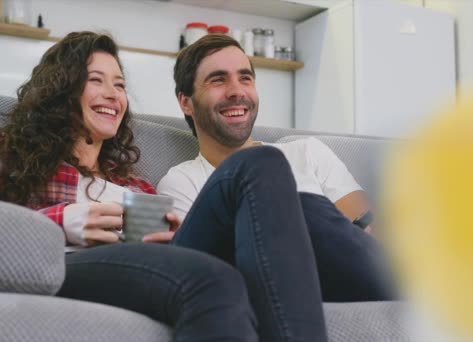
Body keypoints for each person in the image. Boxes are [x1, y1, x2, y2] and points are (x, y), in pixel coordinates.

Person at [0, 31, 328, 341]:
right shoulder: (6, 152)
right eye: (96, 80)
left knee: (262, 165)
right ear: (60, 89)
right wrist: (60, 222)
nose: (112, 94)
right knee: (212, 278)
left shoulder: (135, 183)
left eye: (119, 85)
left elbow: (162, 255)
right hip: (66, 263)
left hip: (147, 264)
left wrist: (176, 232)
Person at [157, 33, 396, 302]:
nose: (237, 91)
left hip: (363, 273)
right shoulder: (181, 181)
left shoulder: (308, 152)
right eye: (218, 79)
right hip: (282, 287)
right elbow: (204, 270)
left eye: (245, 78)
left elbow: (368, 230)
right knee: (298, 206)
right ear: (185, 101)